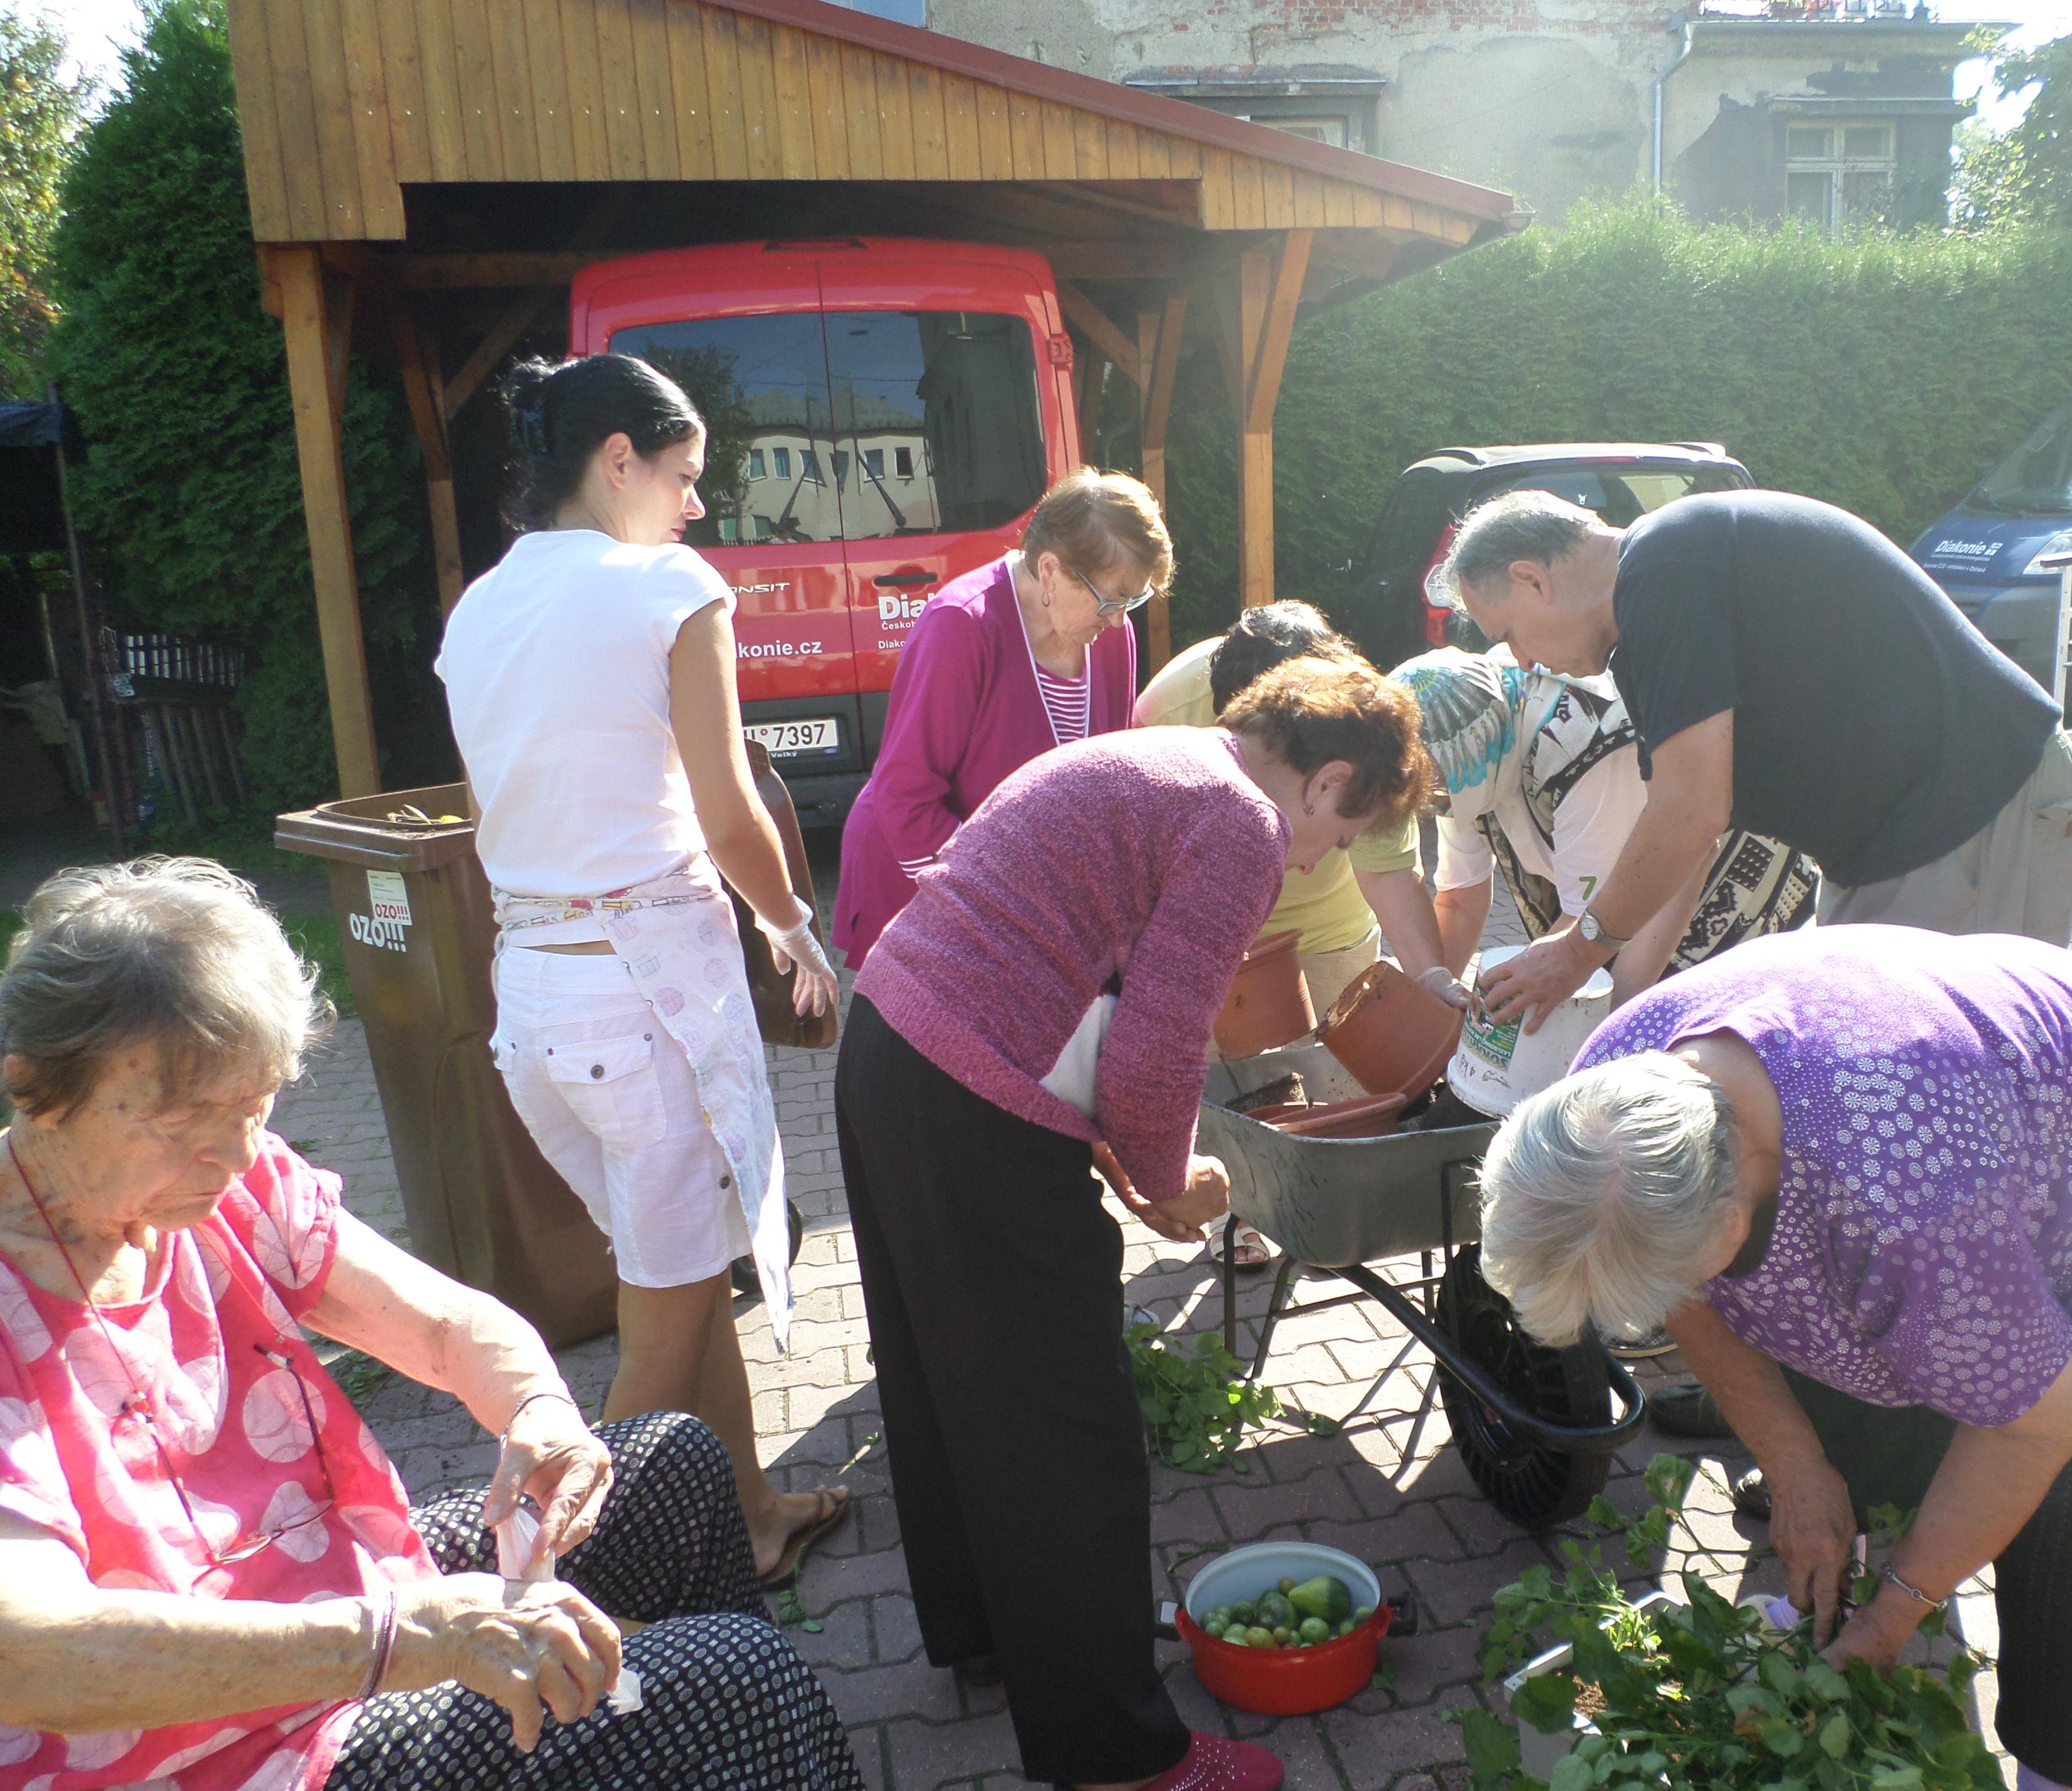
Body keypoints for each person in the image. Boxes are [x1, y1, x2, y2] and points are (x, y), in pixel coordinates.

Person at [0, 859, 891, 1791]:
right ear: (38, 1089)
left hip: (343, 1612)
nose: (237, 1154)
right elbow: (27, 1651)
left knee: (676, 1470)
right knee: (732, 1686)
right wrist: (399, 1642)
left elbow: (452, 1327)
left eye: (255, 1107)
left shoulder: (228, 1186)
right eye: (185, 1121)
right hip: (213, 1787)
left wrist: (541, 1420)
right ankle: (712, 1766)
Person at [1474, 924, 2072, 1791]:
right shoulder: (1616, 1094)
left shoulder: (1909, 1198)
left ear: (1732, 1218)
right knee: (1870, 1377)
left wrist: (1894, 1615)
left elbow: (2037, 1420)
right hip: (1977, 1108)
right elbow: (1692, 1290)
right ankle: (1860, 1632)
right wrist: (1797, 1466)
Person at [834, 662, 1432, 1791]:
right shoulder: (1242, 824)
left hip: (892, 1051)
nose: (1316, 864)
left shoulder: (1145, 758)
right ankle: (1116, 1752)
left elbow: (1082, 996)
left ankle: (992, 1631)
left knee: (943, 1372)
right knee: (1070, 1425)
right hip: (972, 1095)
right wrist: (1167, 1189)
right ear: (1329, 780)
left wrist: (1127, 1162)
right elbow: (1156, 1051)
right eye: (1341, 834)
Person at [435, 353, 847, 1590]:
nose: (694, 507)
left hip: (538, 1011)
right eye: (683, 475)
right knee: (655, 1334)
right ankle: (543, 1604)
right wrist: (792, 927)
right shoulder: (666, 583)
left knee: (679, 1275)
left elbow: (499, 806)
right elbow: (727, 813)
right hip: (644, 1005)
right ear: (618, 460)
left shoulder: (478, 609)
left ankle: (754, 1515)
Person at [1450, 490, 2072, 1034]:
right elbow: (1688, 839)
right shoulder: (1647, 616)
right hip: (1896, 844)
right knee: (1858, 1069)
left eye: (1508, 635)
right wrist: (1622, 1016)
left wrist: (1575, 951)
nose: (1524, 662)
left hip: (1975, 808)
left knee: (1945, 1089)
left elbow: (1691, 815)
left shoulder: (1666, 564)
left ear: (1530, 578)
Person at [829, 469, 1164, 965]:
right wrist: (1011, 904)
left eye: (1135, 599)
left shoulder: (1112, 632)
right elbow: (906, 795)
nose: (1119, 619)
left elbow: (1108, 780)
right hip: (924, 883)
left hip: (1027, 900)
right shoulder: (961, 625)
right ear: (1050, 570)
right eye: (1112, 599)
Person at [1386, 646, 1817, 1006]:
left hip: (1725, 886)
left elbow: (1593, 928)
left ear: (1471, 757)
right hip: (1629, 902)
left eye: (1438, 790)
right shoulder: (1471, 759)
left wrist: (1605, 1031)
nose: (1436, 805)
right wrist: (1437, 1008)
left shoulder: (1578, 752)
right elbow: (1460, 899)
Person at [1134, 601, 1451, 1020]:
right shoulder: (1169, 709)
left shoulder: (1367, 728)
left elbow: (1388, 874)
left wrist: (1429, 976)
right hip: (1203, 930)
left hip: (1328, 937)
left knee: (1335, 1075)